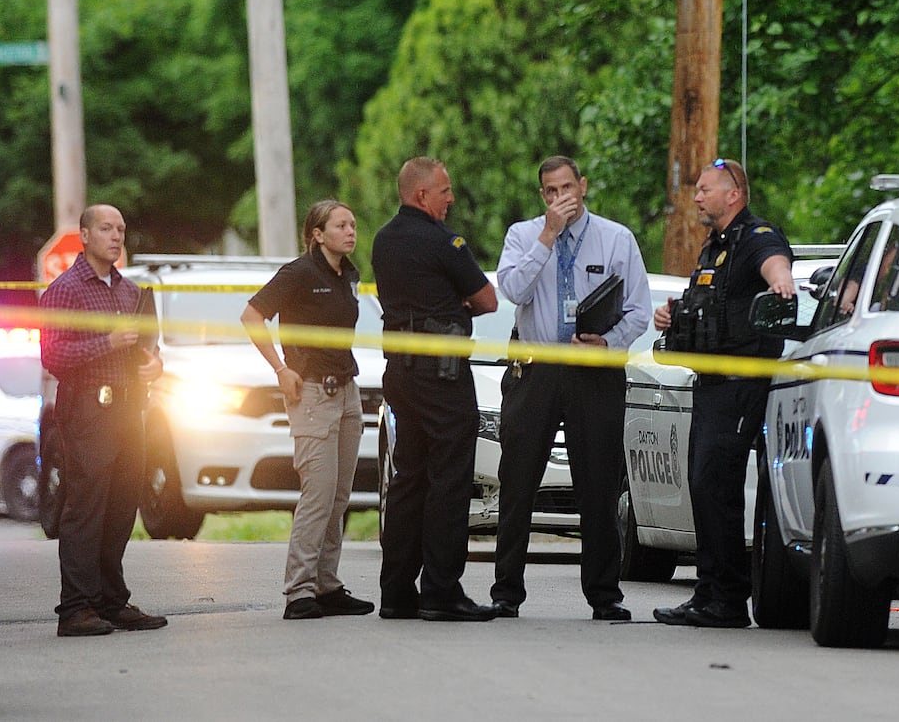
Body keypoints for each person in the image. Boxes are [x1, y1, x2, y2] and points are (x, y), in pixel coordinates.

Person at [489, 156, 651, 621]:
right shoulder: (523, 235)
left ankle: (604, 594)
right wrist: (547, 237)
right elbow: (514, 290)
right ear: (543, 196)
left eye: (568, 188)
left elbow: (638, 309)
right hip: (536, 367)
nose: (562, 198)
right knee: (518, 480)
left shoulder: (616, 238)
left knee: (598, 483)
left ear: (583, 186)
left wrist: (609, 342)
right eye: (551, 191)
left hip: (592, 369)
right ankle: (506, 592)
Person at [652, 158, 794, 629]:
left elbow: (774, 262)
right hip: (711, 386)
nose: (696, 196)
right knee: (704, 486)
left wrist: (780, 281)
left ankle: (728, 599)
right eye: (696, 188)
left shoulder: (756, 237)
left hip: (741, 385)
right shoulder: (713, 248)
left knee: (718, 486)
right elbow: (708, 308)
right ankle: (708, 593)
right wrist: (674, 319)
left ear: (734, 195)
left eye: (705, 188)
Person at [370, 157, 499, 622]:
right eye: (444, 190)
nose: (450, 199)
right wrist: (455, 299)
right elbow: (487, 299)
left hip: (401, 374)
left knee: (409, 477)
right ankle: (442, 590)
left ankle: (397, 591)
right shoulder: (446, 241)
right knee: (449, 478)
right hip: (442, 376)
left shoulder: (383, 240)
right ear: (422, 195)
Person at [241, 200, 374, 621]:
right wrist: (281, 369)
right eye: (340, 225)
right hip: (311, 392)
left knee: (338, 496)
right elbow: (251, 316)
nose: (350, 231)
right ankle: (298, 591)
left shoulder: (348, 274)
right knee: (317, 495)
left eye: (352, 224)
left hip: (347, 389)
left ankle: (326, 584)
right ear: (317, 234)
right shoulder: (299, 272)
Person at [40, 204, 168, 637]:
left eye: (121, 230)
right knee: (86, 507)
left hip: (130, 410)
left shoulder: (129, 292)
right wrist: (106, 341)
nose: (116, 236)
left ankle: (111, 601)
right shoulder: (65, 290)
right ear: (85, 235)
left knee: (121, 507)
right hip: (88, 410)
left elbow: (145, 350)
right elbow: (53, 356)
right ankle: (74, 609)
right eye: (106, 229)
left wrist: (154, 364)